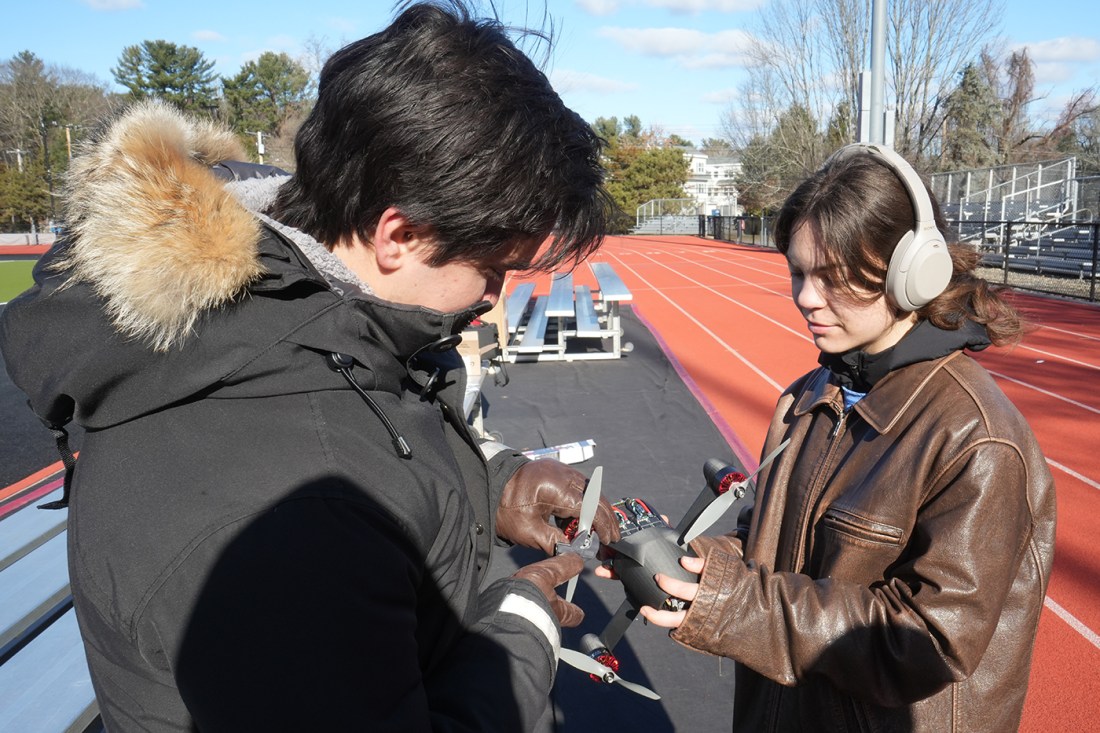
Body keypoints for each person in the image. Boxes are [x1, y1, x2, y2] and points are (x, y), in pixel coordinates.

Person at [0, 3, 622, 730]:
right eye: (492, 268)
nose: (494, 295)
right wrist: (519, 635)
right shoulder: (292, 525)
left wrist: (492, 482)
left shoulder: (293, 298)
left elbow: (366, 413)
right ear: (400, 233)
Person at [628, 143, 1056, 732]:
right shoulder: (809, 395)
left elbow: (927, 643)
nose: (805, 298)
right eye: (799, 273)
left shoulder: (975, 440)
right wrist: (689, 568)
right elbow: (771, 548)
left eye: (832, 278)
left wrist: (734, 605)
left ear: (913, 273)